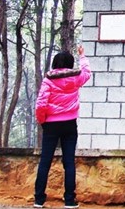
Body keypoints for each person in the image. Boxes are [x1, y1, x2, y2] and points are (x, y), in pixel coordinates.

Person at [34, 45, 91, 208]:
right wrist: (82, 56)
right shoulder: (75, 78)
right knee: (69, 162)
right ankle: (69, 200)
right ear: (70, 63)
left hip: (51, 125)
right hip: (69, 124)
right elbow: (87, 73)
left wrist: (43, 121)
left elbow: (41, 103)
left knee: (45, 161)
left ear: (54, 63)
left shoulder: (48, 80)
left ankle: (39, 200)